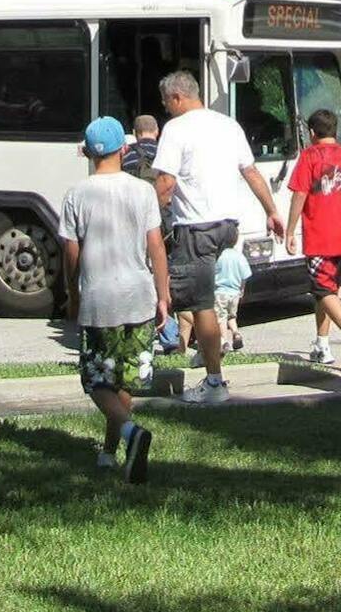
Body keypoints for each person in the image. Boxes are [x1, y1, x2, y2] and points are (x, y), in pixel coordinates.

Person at [152, 70, 283, 406]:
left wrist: (150, 217)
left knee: (200, 305)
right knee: (215, 295)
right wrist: (272, 211)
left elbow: (165, 182)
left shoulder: (175, 129)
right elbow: (251, 171)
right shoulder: (228, 124)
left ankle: (214, 381)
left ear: (177, 97)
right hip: (228, 226)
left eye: (167, 102)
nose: (167, 109)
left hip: (197, 227)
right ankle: (207, 354)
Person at [57, 116, 170, 484]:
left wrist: (72, 293)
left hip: (98, 298)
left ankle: (129, 434)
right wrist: (164, 296)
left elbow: (71, 254)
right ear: (125, 149)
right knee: (122, 380)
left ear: (87, 153)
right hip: (139, 295)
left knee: (95, 381)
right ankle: (110, 452)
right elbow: (156, 248)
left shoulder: (76, 195)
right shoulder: (143, 191)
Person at [287, 107, 341, 370]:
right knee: (326, 291)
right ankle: (322, 345)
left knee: (322, 288)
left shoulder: (310, 156)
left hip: (319, 236)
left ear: (312, 133)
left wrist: (290, 230)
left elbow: (299, 194)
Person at [213, 242, 250, 354]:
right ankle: (236, 333)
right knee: (232, 316)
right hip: (235, 292)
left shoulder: (218, 256)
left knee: (221, 317)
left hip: (219, 292)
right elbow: (245, 275)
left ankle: (224, 341)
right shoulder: (239, 256)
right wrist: (241, 289)